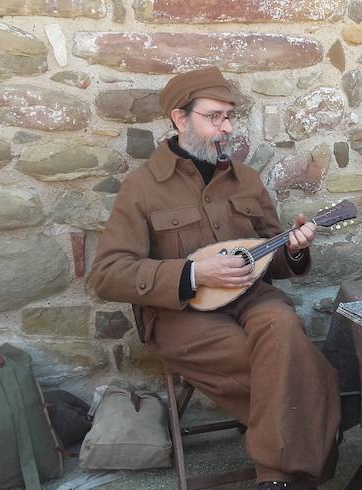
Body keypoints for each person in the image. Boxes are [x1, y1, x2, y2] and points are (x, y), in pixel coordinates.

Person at [89, 67, 340, 490]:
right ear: (179, 118)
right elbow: (108, 274)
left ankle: (276, 477)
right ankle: (306, 451)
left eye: (228, 116)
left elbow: (267, 253)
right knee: (291, 367)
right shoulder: (143, 188)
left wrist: (293, 250)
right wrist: (191, 272)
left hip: (251, 298)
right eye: (214, 117)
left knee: (283, 331)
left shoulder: (247, 180)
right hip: (181, 313)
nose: (225, 128)